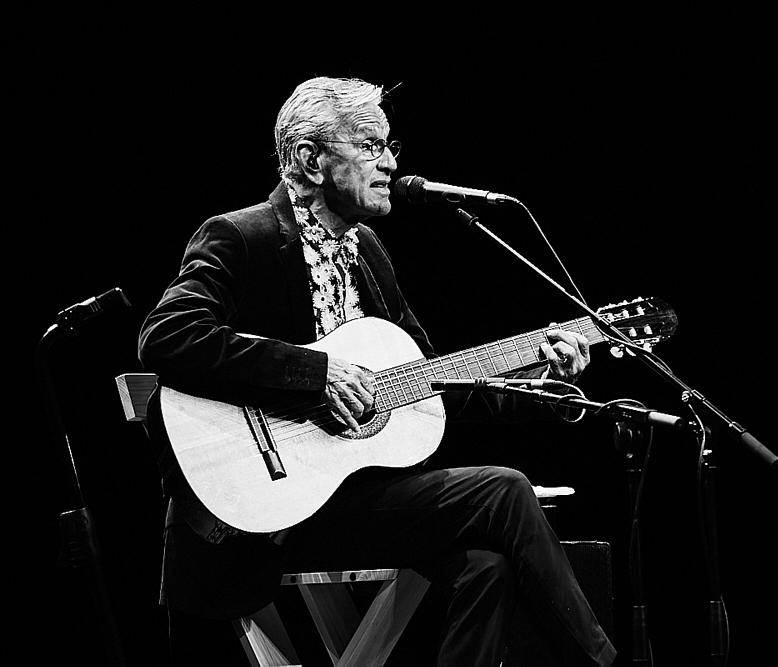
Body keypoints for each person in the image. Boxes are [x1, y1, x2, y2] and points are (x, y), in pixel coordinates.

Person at [138, 76, 616, 666]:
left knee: (486, 567)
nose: (389, 162)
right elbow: (166, 337)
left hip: (352, 499)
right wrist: (317, 372)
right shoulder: (243, 236)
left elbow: (434, 381)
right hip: (265, 510)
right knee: (504, 487)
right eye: (369, 145)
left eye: (389, 146)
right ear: (311, 160)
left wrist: (541, 376)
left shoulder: (369, 253)